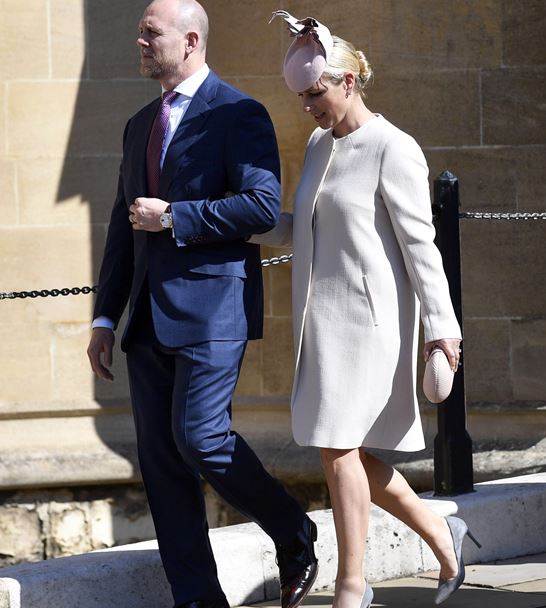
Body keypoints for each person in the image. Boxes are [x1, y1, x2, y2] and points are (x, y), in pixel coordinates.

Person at [85, 1, 318, 607]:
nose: (139, 42)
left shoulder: (237, 113)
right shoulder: (140, 124)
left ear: (190, 41)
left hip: (215, 310)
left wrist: (174, 218)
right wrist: (106, 317)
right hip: (145, 322)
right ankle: (196, 599)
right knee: (162, 466)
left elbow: (262, 207)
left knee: (201, 438)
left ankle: (295, 532)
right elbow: (121, 228)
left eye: (150, 33)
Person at [255, 12, 475, 608]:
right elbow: (305, 228)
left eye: (316, 93)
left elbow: (422, 248)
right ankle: (439, 530)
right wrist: (237, 223)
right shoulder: (320, 143)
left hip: (372, 323)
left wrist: (442, 332)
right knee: (343, 451)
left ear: (348, 81)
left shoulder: (393, 146)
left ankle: (352, 585)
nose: (308, 106)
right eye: (301, 96)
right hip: (322, 324)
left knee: (338, 449)